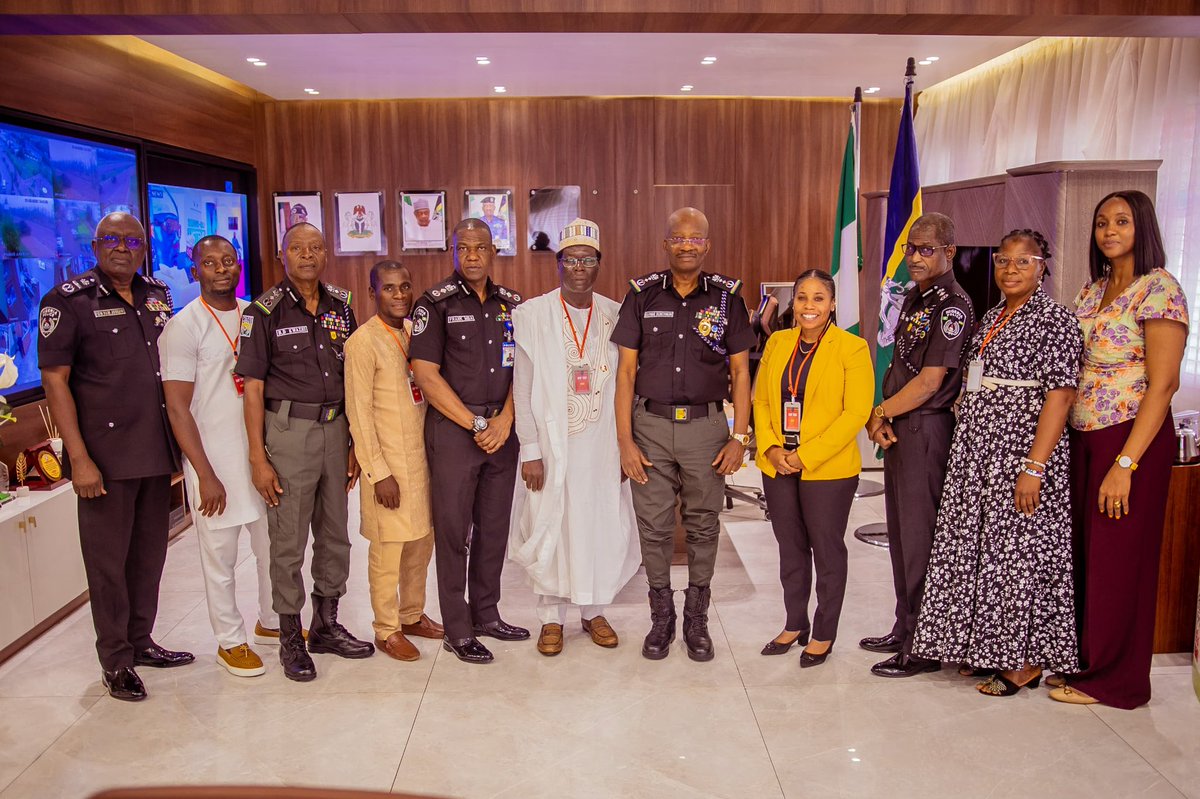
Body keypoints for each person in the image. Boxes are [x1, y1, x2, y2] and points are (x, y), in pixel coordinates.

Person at [911, 229, 1083, 696]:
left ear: (1043, 267)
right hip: (978, 452)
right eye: (1003, 260)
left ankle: (1023, 663)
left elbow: (1061, 397)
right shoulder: (992, 315)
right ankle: (986, 648)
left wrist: (1034, 467)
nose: (1010, 269)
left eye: (1023, 261)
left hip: (1019, 452)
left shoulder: (1055, 320)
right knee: (980, 551)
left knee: (1016, 555)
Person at [39, 211, 194, 702]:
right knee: (107, 565)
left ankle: (141, 640)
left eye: (132, 240)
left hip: (154, 447)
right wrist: (78, 459)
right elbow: (55, 382)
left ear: (144, 247)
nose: (122, 248)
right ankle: (115, 660)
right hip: (104, 458)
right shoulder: (68, 301)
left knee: (149, 556)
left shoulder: (156, 294)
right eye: (112, 239)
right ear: (95, 246)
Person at [1051, 190, 1190, 709]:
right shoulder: (1093, 290)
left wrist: (1126, 463)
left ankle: (1117, 682)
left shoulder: (1160, 289)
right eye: (1102, 222)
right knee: (1087, 556)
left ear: (1142, 227)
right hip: (1084, 437)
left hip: (1131, 439)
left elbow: (1164, 383)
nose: (1109, 231)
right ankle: (1087, 662)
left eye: (1122, 221)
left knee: (1119, 560)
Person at [612, 207, 755, 662]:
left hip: (707, 429)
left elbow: (741, 373)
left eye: (695, 239)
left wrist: (739, 437)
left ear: (706, 246)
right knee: (653, 528)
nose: (687, 245)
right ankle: (661, 619)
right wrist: (624, 441)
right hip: (649, 428)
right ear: (666, 244)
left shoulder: (728, 299)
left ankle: (696, 619)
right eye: (679, 238)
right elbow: (625, 373)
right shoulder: (641, 295)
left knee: (703, 524)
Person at [235, 222, 375, 682]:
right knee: (288, 539)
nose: (308, 255)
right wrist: (258, 458)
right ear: (283, 255)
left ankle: (327, 625)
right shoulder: (263, 311)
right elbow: (252, 389)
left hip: (337, 430)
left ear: (326, 254)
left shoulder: (342, 306)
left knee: (335, 533)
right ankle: (291, 636)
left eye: (316, 247)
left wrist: (355, 442)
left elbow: (353, 377)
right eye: (298, 248)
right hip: (289, 432)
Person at [508, 219, 641, 656]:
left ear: (599, 264)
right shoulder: (532, 315)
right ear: (558, 264)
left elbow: (627, 384)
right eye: (570, 260)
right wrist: (530, 449)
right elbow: (522, 388)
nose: (579, 267)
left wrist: (625, 446)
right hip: (551, 446)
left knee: (599, 525)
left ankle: (594, 610)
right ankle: (551, 618)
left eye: (587, 260)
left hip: (602, 446)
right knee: (552, 526)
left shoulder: (616, 315)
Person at [410, 218, 529, 664]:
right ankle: (457, 628)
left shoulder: (513, 305)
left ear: (493, 251)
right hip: (455, 432)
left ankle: (486, 613)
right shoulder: (434, 304)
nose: (472, 255)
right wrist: (477, 425)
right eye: (464, 248)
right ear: (453, 252)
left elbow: (525, 369)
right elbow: (425, 374)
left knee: (494, 528)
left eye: (480, 247)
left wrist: (506, 420)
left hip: (503, 429)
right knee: (453, 531)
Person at [862, 212, 974, 678]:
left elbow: (930, 382)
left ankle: (923, 645)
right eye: (911, 248)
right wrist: (886, 415)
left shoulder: (952, 306)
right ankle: (903, 626)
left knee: (920, 539)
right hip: (902, 426)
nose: (914, 256)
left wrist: (881, 411)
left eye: (926, 249)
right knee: (901, 535)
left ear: (949, 251)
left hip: (926, 430)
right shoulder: (914, 296)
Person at [159, 235, 276, 678]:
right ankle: (230, 641)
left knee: (271, 547)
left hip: (259, 457)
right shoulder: (183, 326)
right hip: (215, 462)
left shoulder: (254, 314)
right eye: (210, 263)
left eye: (228, 260)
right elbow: (177, 408)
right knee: (221, 558)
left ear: (239, 266)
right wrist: (204, 474)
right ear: (195, 271)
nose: (221, 269)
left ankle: (271, 621)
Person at [753, 269, 873, 668]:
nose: (809, 306)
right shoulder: (778, 341)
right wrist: (771, 447)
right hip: (778, 465)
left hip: (828, 469)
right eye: (802, 297)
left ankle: (823, 632)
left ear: (833, 304)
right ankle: (794, 623)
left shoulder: (852, 348)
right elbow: (761, 400)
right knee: (790, 548)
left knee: (826, 550)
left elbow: (855, 413)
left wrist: (806, 455)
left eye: (819, 298)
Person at [343, 260, 444, 662]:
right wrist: (378, 472)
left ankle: (411, 615)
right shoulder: (362, 342)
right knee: (388, 552)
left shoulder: (415, 333)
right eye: (389, 288)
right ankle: (386, 629)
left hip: (421, 462)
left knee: (420, 544)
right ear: (373, 293)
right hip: (387, 467)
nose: (399, 295)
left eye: (404, 287)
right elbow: (359, 414)